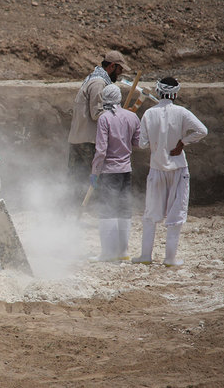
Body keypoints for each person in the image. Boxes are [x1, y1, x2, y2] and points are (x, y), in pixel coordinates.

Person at [131, 77, 208, 266]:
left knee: (150, 214)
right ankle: (170, 259)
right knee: (176, 214)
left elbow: (141, 143)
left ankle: (145, 256)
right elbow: (202, 130)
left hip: (156, 169)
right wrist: (183, 142)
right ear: (175, 94)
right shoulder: (182, 112)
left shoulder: (149, 114)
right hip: (178, 169)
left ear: (158, 92)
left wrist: (156, 144)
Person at [68, 50, 131, 205]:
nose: (121, 73)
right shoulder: (98, 83)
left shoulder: (95, 79)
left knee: (78, 178)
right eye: (119, 69)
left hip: (79, 138)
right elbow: (97, 113)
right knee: (94, 178)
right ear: (112, 66)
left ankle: (77, 210)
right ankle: (90, 211)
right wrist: (118, 113)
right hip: (88, 140)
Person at [88, 84, 141, 262]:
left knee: (107, 211)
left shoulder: (104, 118)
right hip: (126, 170)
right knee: (124, 209)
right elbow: (138, 142)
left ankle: (108, 253)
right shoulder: (132, 116)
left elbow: (101, 150)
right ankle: (123, 252)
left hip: (109, 171)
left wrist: (95, 171)